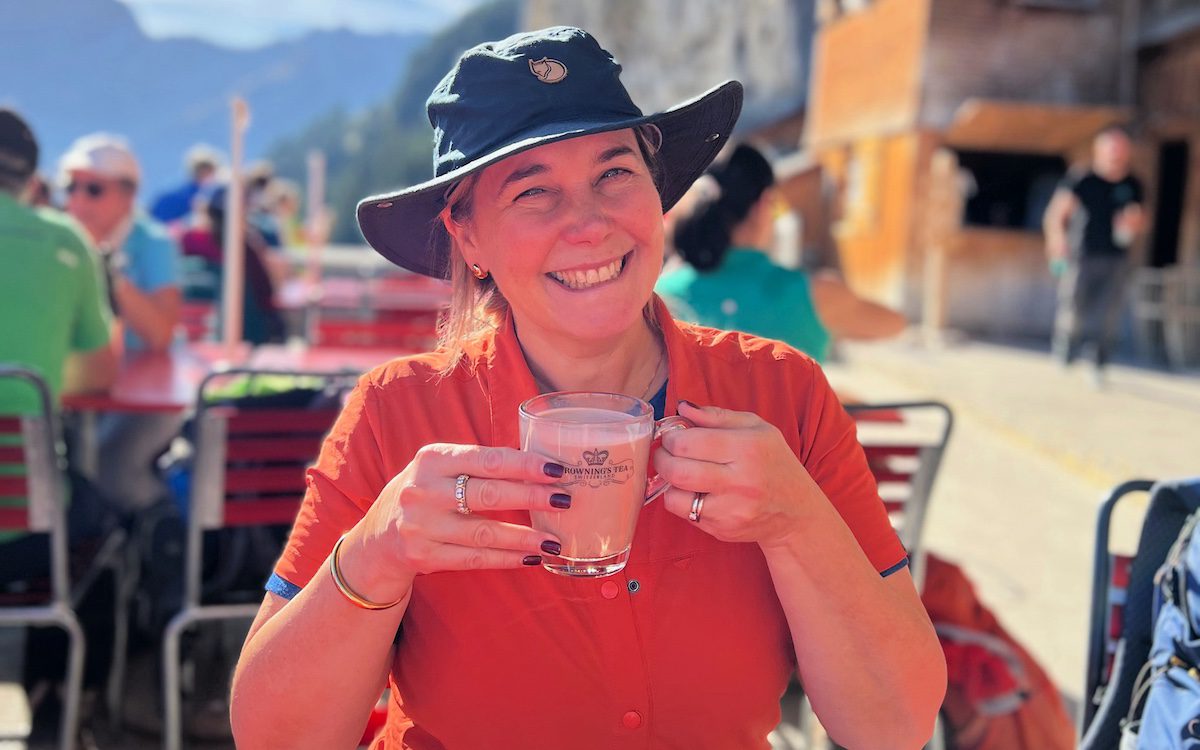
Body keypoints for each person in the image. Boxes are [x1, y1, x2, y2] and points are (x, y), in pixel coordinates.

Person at [231, 27, 945, 749]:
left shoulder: (781, 394)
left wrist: (798, 523)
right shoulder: (398, 412)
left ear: (658, 193)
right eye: (533, 192)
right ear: (469, 239)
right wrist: (376, 556)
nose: (589, 223)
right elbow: (272, 737)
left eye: (614, 174)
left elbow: (895, 726)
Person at [0, 108, 117, 576]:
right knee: (106, 527)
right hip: (29, 529)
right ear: (31, 181)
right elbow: (103, 373)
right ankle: (60, 644)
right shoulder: (66, 242)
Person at [656, 143, 907, 361]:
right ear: (764, 205)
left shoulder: (658, 295)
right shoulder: (818, 295)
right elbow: (895, 325)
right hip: (788, 417)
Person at [60, 134, 184, 513]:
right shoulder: (61, 240)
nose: (78, 200)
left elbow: (159, 335)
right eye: (71, 187)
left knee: (112, 470)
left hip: (148, 400)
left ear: (128, 196)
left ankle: (160, 547)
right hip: (89, 390)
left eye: (93, 189)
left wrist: (107, 270)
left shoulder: (154, 243)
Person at [1043, 126, 1145, 378]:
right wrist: (1057, 242)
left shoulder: (1133, 184)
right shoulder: (1082, 179)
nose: (1116, 154)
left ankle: (1098, 362)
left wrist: (1134, 222)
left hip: (1117, 257)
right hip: (1081, 253)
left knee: (1108, 313)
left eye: (1120, 149)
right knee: (1073, 306)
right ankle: (1066, 354)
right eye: (1111, 148)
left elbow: (1142, 221)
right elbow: (1056, 214)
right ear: (1098, 151)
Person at [149, 143, 222, 232]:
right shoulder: (171, 198)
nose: (204, 172)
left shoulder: (218, 197)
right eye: (200, 168)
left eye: (208, 168)